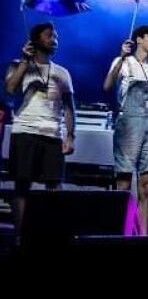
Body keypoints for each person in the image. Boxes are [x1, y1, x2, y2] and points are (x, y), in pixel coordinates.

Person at [4, 23, 75, 239]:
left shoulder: (62, 73)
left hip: (52, 133)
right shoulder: (17, 65)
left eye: (56, 36)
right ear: (35, 40)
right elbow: (10, 90)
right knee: (22, 184)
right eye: (49, 35)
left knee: (54, 185)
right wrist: (25, 61)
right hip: (25, 130)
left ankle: (51, 234)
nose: (54, 39)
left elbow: (69, 108)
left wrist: (70, 136)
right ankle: (20, 236)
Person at [102, 25, 148, 235]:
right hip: (128, 122)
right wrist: (120, 56)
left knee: (146, 184)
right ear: (138, 39)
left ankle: (143, 235)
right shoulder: (125, 62)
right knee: (124, 182)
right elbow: (107, 85)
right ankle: (122, 232)